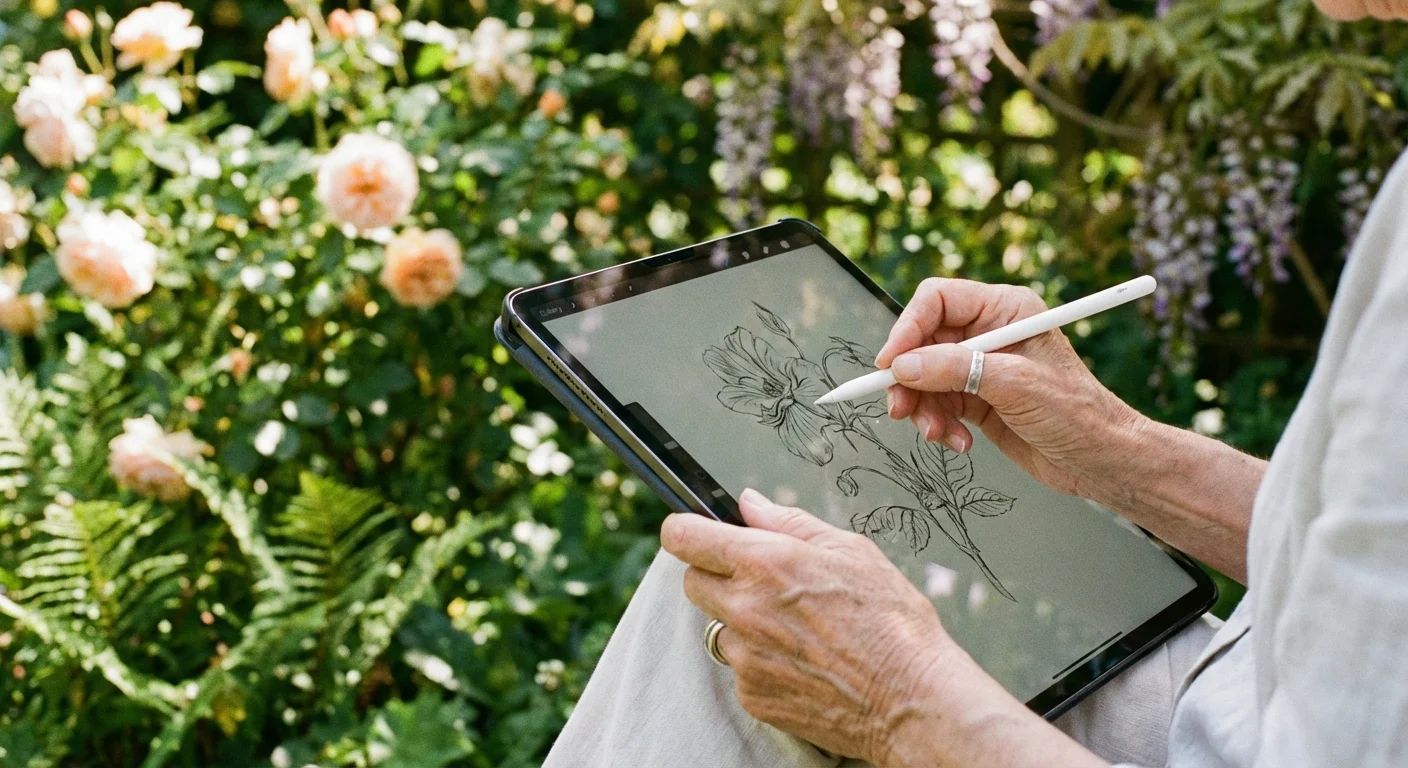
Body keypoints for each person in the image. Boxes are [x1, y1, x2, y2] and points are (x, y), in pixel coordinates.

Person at [543, 10, 1408, 768]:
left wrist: (900, 699)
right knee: (769, 577)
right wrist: (1116, 452)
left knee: (751, 592)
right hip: (1250, 697)